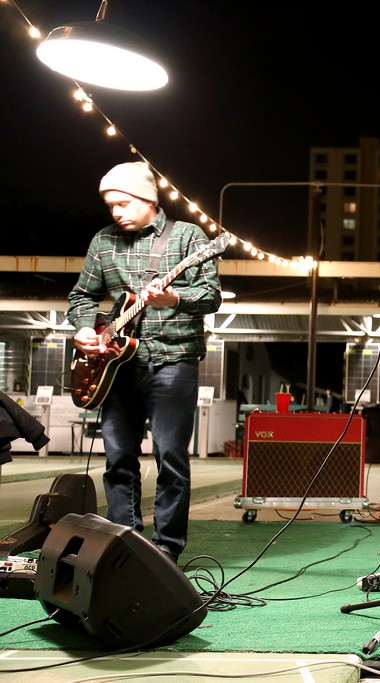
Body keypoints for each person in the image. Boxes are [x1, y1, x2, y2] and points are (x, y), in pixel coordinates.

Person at [67, 161, 222, 563]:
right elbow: (81, 296)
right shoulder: (103, 242)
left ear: (148, 199)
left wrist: (174, 299)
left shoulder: (188, 236)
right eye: (110, 205)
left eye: (122, 203)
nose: (116, 212)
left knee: (170, 457)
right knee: (118, 458)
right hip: (117, 368)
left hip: (173, 363)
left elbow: (210, 295)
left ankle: (166, 553)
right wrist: (86, 328)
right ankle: (123, 545)